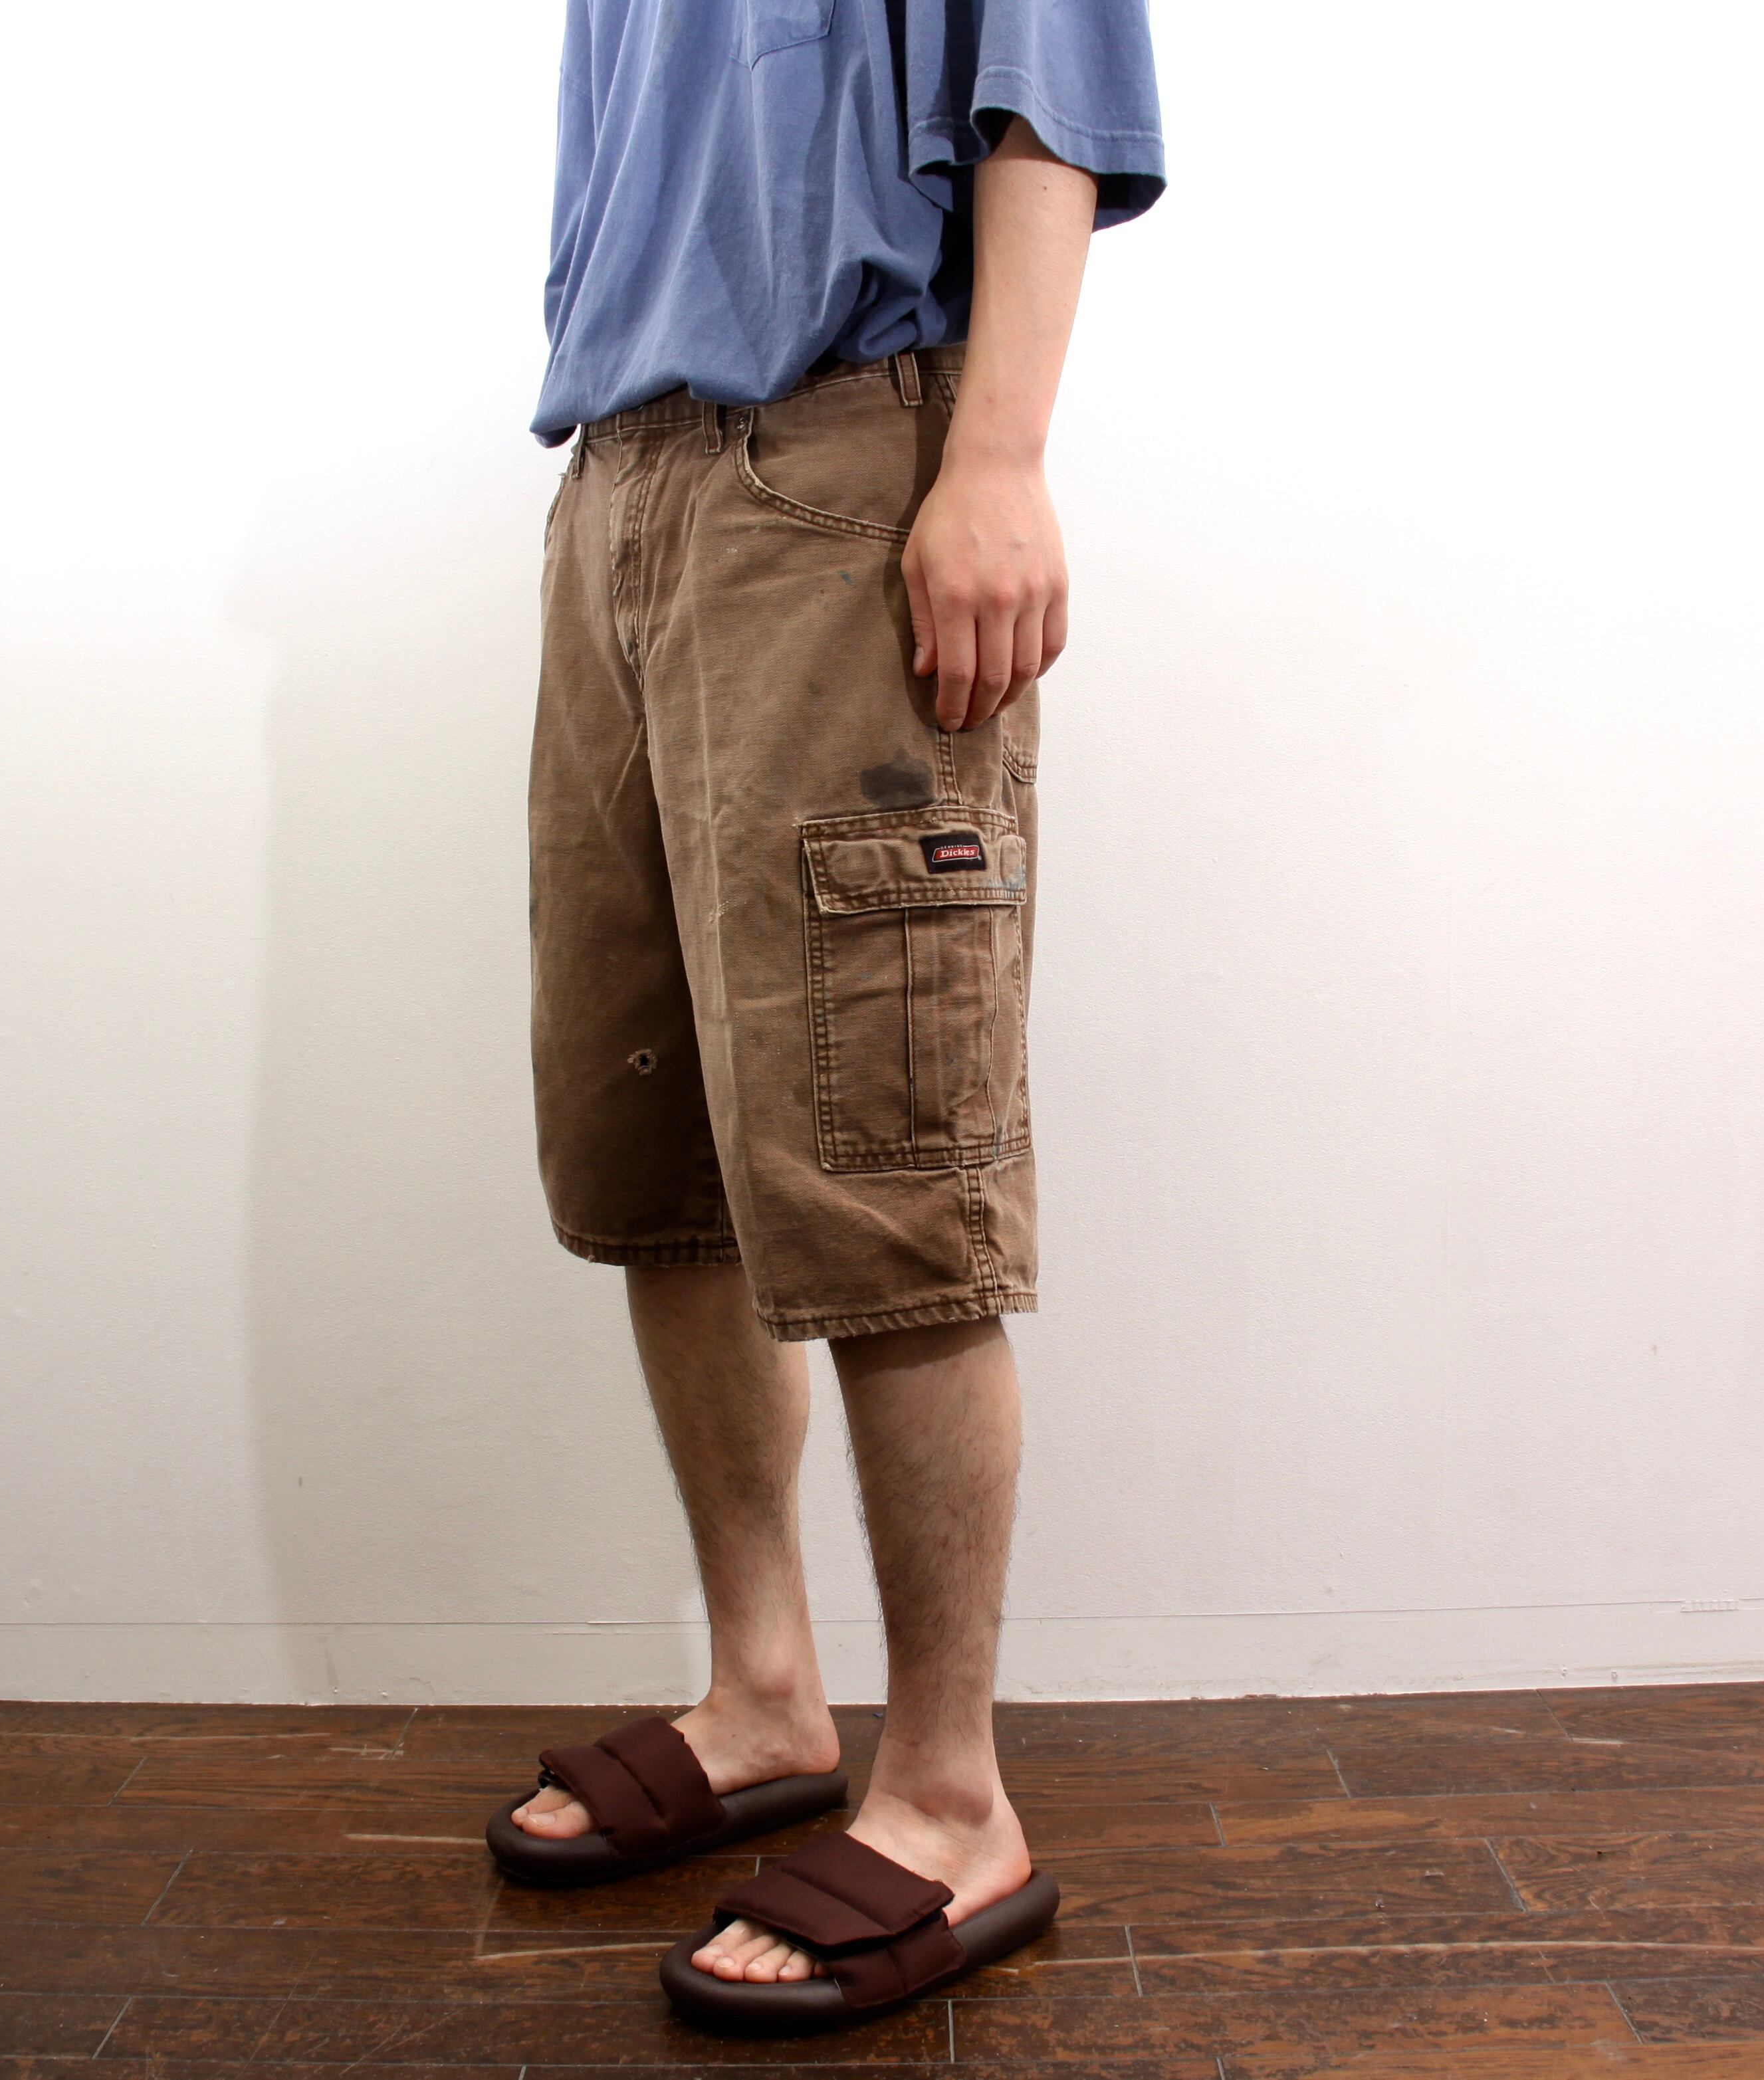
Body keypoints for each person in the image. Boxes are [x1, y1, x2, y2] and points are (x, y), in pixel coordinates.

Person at [488, 0, 1163, 2033]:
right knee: (660, 1147)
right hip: (619, 480)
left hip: (843, 461)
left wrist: (998, 456)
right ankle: (763, 1689)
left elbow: (1055, 90)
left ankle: (951, 1794)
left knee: (881, 1152)